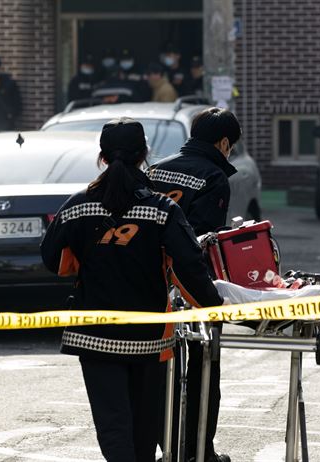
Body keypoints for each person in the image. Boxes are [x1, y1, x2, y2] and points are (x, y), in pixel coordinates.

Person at [41, 118, 224, 462]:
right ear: (144, 155)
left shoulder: (77, 206)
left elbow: (51, 258)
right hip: (148, 339)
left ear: (102, 156)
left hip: (93, 337)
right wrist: (216, 308)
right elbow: (190, 267)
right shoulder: (162, 209)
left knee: (113, 427)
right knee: (143, 430)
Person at [148, 107, 240, 462]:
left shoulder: (157, 168)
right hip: (189, 286)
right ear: (223, 143)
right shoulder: (214, 176)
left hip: (151, 285)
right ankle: (200, 451)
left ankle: (168, 447)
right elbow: (203, 241)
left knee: (160, 367)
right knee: (203, 367)